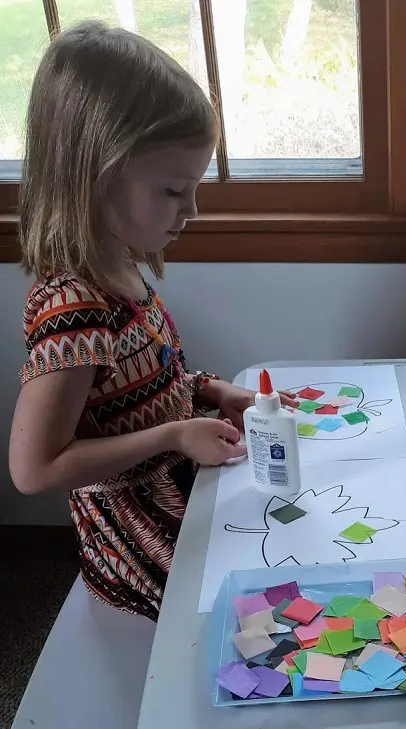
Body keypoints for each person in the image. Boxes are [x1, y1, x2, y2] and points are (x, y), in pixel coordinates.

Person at [8, 21, 297, 621]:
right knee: (260, 610)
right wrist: (173, 436)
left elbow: (146, 388)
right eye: (173, 190)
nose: (191, 210)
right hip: (135, 536)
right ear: (98, 176)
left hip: (180, 486)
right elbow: (35, 469)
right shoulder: (73, 314)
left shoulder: (124, 268)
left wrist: (210, 391)